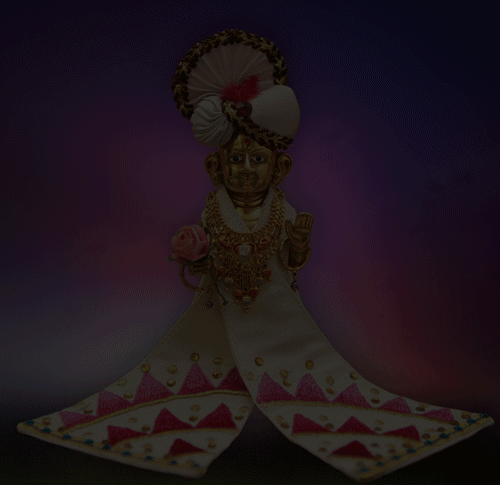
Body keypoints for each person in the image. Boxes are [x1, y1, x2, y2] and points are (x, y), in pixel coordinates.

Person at [17, 28, 493, 483]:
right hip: (216, 313)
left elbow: (292, 262)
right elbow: (202, 263)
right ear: (217, 167)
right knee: (188, 379)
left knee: (306, 385)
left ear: (278, 168)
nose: (246, 169)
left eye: (257, 160)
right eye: (237, 160)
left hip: (277, 316)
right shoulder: (213, 210)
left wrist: (298, 243)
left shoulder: (283, 211)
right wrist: (194, 254)